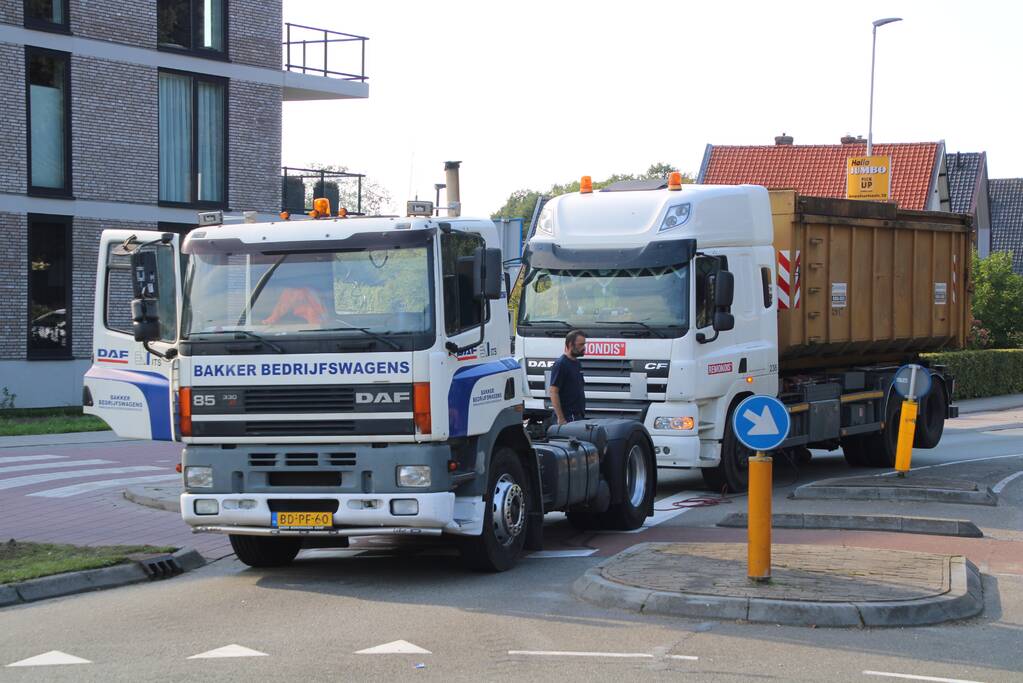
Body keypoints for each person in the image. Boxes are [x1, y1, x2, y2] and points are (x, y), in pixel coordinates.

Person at [549, 330, 587, 425]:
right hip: (568, 417)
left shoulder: (577, 363)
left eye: (584, 344)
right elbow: (554, 392)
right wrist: (561, 418)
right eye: (581, 345)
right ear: (570, 344)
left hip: (578, 416)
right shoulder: (561, 364)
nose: (584, 348)